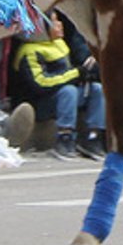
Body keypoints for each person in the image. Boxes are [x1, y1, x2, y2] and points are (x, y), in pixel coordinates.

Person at [11, 13, 106, 160]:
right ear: (40, 27)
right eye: (54, 22)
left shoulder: (59, 43)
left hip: (64, 97)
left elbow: (71, 73)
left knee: (97, 90)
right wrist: (77, 74)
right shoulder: (29, 51)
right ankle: (64, 137)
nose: (60, 25)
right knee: (69, 91)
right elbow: (41, 83)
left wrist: (87, 74)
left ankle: (93, 137)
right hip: (41, 102)